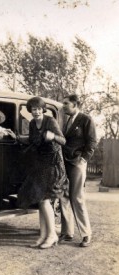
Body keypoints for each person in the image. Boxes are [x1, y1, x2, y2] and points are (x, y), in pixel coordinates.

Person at [18, 97, 68, 249]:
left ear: (43, 109)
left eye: (39, 109)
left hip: (54, 165)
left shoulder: (50, 121)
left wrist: (53, 136)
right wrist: (17, 137)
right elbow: (34, 141)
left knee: (45, 200)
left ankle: (52, 235)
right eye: (33, 109)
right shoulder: (33, 123)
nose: (37, 112)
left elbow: (63, 140)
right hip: (40, 164)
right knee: (40, 200)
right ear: (30, 111)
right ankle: (43, 235)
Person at [59, 94, 97, 247]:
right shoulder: (65, 120)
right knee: (63, 196)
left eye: (66, 104)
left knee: (77, 197)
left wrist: (84, 159)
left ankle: (86, 234)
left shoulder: (86, 119)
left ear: (75, 104)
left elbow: (92, 141)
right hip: (64, 163)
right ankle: (67, 232)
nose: (64, 106)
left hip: (77, 163)